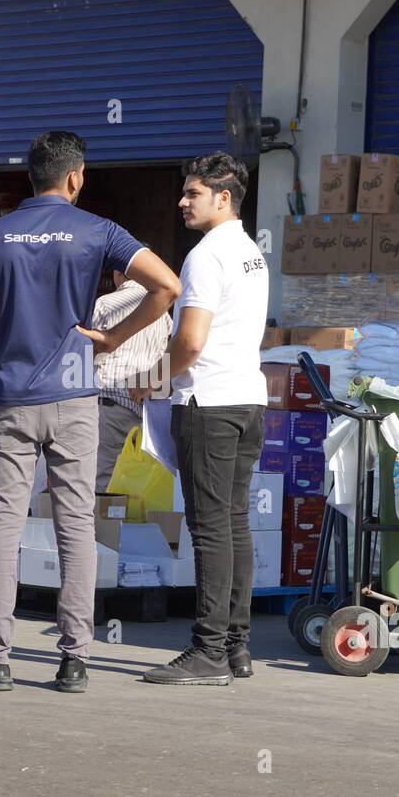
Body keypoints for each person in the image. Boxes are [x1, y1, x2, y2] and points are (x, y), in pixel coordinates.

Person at [0, 130, 180, 694]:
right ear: (75, 176)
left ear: (29, 176)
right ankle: (75, 660)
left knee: (2, 524)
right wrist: (109, 339)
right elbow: (166, 286)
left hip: (12, 398)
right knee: (75, 524)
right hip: (77, 397)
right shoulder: (98, 231)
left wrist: (5, 366)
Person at [138, 152, 268, 686]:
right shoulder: (252, 252)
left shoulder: (206, 255)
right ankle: (236, 647)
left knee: (211, 529)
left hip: (208, 403)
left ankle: (209, 651)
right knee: (234, 524)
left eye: (193, 194)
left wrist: (155, 378)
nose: (182, 202)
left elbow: (190, 339)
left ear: (224, 197)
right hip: (246, 401)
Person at [91, 265, 172, 491]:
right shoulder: (163, 313)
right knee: (135, 481)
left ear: (118, 274)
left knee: (103, 479)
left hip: (110, 405)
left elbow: (88, 353)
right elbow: (165, 358)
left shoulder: (106, 304)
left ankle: (103, 526)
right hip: (146, 411)